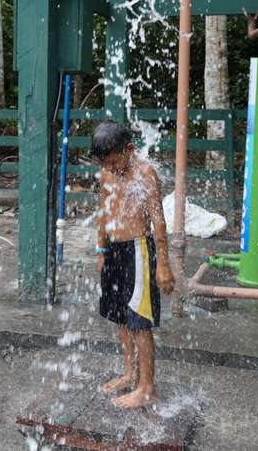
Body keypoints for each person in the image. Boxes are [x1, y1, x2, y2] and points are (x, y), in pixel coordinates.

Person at [91, 121, 175, 409]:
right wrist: (101, 248)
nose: (112, 168)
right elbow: (104, 211)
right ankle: (130, 373)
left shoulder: (145, 173)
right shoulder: (106, 172)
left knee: (139, 321)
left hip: (139, 249)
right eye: (106, 163)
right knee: (120, 317)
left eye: (114, 161)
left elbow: (159, 222)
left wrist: (163, 264)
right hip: (114, 249)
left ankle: (147, 388)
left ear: (128, 149)